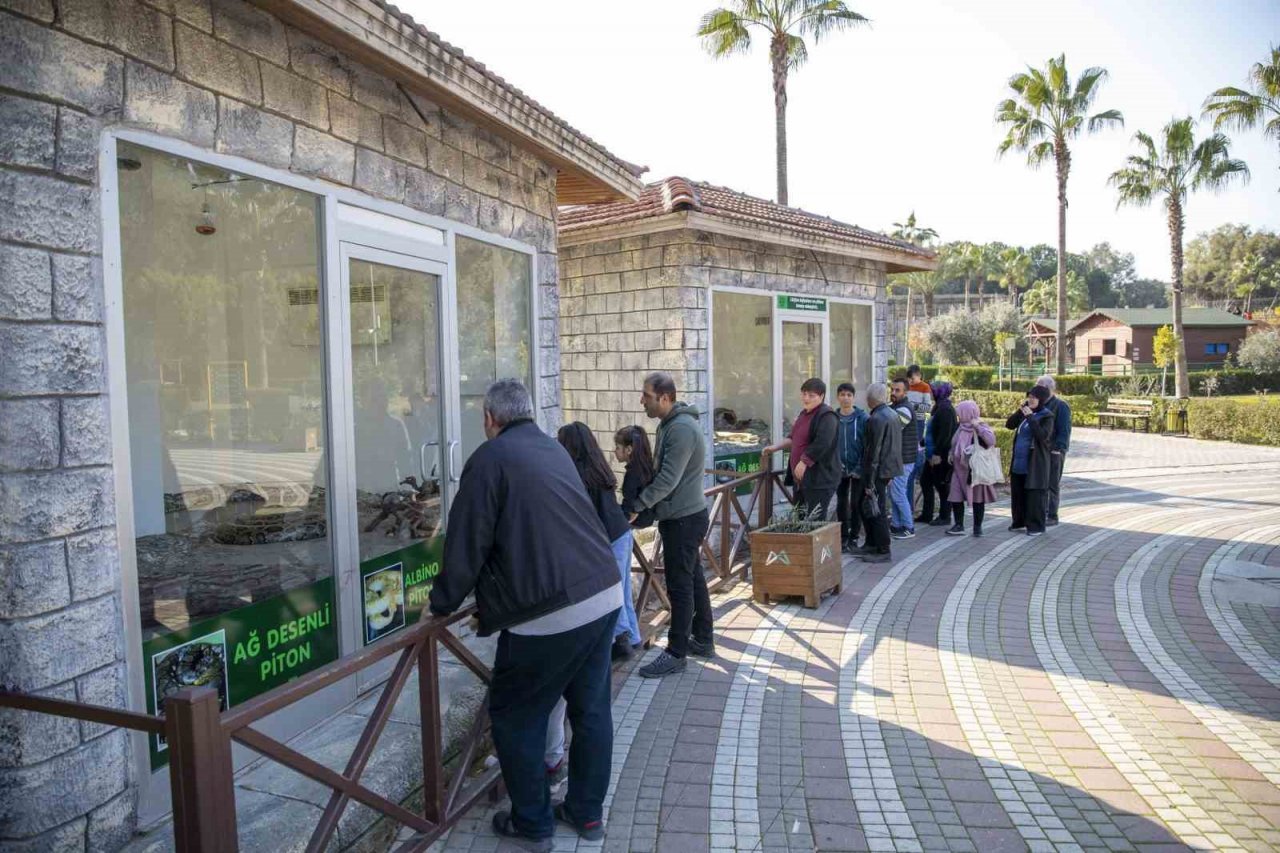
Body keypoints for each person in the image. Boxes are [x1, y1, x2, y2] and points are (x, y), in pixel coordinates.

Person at [428, 380, 621, 850]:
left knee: (516, 715)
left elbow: (466, 540)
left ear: (490, 419)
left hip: (548, 611)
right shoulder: (553, 450)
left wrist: (440, 605)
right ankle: (586, 815)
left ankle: (533, 822)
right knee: (591, 709)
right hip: (602, 592)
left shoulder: (489, 459)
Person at [630, 372, 713, 679]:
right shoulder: (670, 424)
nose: (643, 400)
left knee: (680, 586)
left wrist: (638, 506)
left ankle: (677, 652)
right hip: (681, 516)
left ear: (664, 398)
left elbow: (667, 479)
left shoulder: (680, 429)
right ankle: (703, 639)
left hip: (684, 519)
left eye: (647, 396)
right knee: (692, 578)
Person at [557, 422, 643, 659]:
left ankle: (622, 641)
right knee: (623, 589)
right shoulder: (598, 467)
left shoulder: (577, 474)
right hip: (622, 533)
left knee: (613, 592)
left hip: (609, 539)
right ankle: (634, 638)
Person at [762, 377, 841, 521]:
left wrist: (804, 461)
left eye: (811, 395)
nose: (806, 398)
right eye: (804, 394)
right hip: (801, 480)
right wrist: (775, 447)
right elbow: (793, 437)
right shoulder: (804, 414)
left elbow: (822, 443)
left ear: (821, 396)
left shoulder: (827, 415)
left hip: (820, 479)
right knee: (799, 517)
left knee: (814, 521)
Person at [857, 382, 902, 563]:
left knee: (876, 509)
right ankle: (872, 543)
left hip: (877, 470)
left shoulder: (876, 419)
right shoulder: (892, 414)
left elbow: (873, 452)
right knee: (868, 506)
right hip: (887, 469)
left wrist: (869, 481)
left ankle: (883, 548)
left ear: (869, 400)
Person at [1005, 385, 1057, 536]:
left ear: (1041, 399)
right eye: (1029, 397)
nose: (1031, 400)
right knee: (1018, 494)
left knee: (1034, 496)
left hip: (1035, 464)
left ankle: (1035, 526)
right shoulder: (1025, 412)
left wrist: (1030, 418)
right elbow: (1009, 425)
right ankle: (1019, 522)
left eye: (1034, 397)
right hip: (1019, 462)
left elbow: (1042, 436)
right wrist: (1020, 411)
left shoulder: (1047, 416)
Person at [947, 400, 997, 537]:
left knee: (977, 499)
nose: (958, 415)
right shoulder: (961, 427)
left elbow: (991, 440)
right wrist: (951, 453)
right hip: (958, 469)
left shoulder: (980, 425)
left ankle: (977, 527)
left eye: (960, 413)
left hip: (975, 471)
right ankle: (958, 525)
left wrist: (978, 428)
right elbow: (954, 443)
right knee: (956, 497)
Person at [834, 382, 867, 553]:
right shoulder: (833, 417)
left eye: (849, 395)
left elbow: (867, 444)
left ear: (853, 398)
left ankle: (854, 537)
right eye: (842, 394)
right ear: (838, 397)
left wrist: (860, 467)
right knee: (841, 503)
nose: (845, 398)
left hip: (857, 468)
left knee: (856, 503)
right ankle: (842, 537)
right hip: (838, 468)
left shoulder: (862, 418)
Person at [919, 381, 957, 527]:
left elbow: (945, 435)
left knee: (941, 486)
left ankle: (945, 516)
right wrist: (923, 442)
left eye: (932, 390)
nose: (930, 393)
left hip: (939, 456)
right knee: (925, 481)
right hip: (932, 453)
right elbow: (933, 430)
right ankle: (927, 514)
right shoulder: (939, 406)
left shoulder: (946, 409)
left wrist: (937, 454)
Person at [1035, 375, 1072, 526]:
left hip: (1054, 451)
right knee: (1041, 483)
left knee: (1052, 483)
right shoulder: (1039, 404)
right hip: (1040, 450)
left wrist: (1058, 448)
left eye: (1039, 387)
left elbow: (1064, 430)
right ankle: (1041, 512)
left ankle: (1052, 515)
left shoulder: (1060, 406)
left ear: (1048, 389)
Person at [888, 378, 919, 539]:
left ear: (905, 392)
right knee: (894, 492)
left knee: (898, 492)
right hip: (899, 459)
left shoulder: (905, 410)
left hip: (904, 459)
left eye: (897, 390)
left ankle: (908, 526)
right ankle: (896, 525)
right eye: (892, 389)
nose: (893, 393)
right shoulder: (896, 407)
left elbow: (890, 429)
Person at [905, 365, 933, 522]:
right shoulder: (907, 386)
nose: (911, 381)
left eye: (913, 378)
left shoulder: (924, 387)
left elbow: (928, 406)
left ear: (919, 376)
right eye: (909, 378)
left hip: (919, 419)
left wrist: (914, 406)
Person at [615, 425, 656, 530]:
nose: (614, 451)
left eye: (617, 447)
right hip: (648, 517)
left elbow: (629, 508)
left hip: (638, 519)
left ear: (628, 450)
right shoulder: (645, 467)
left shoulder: (632, 474)